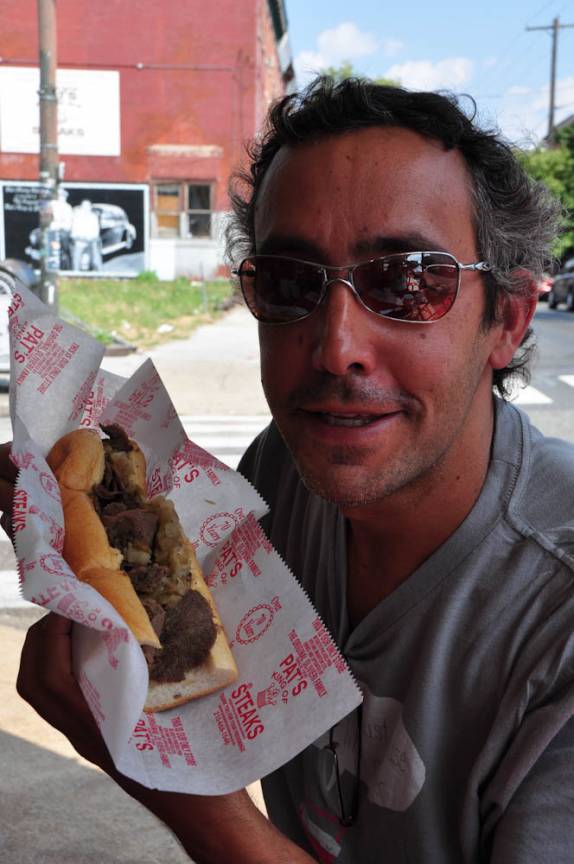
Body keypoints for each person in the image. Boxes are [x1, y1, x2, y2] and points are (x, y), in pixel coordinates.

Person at [4, 77, 574, 862]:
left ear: (506, 319)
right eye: (288, 282)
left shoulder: (556, 619)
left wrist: (192, 799)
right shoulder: (281, 473)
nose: (336, 347)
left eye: (407, 282)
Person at [70, 198, 103, 272]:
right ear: (81, 207)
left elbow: (96, 230)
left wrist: (91, 238)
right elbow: (74, 231)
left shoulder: (93, 217)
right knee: (76, 255)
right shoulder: (77, 216)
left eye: (87, 206)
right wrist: (80, 237)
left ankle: (100, 272)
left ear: (90, 207)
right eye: (84, 206)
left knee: (96, 254)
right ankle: (75, 272)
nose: (86, 208)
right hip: (80, 240)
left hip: (91, 240)